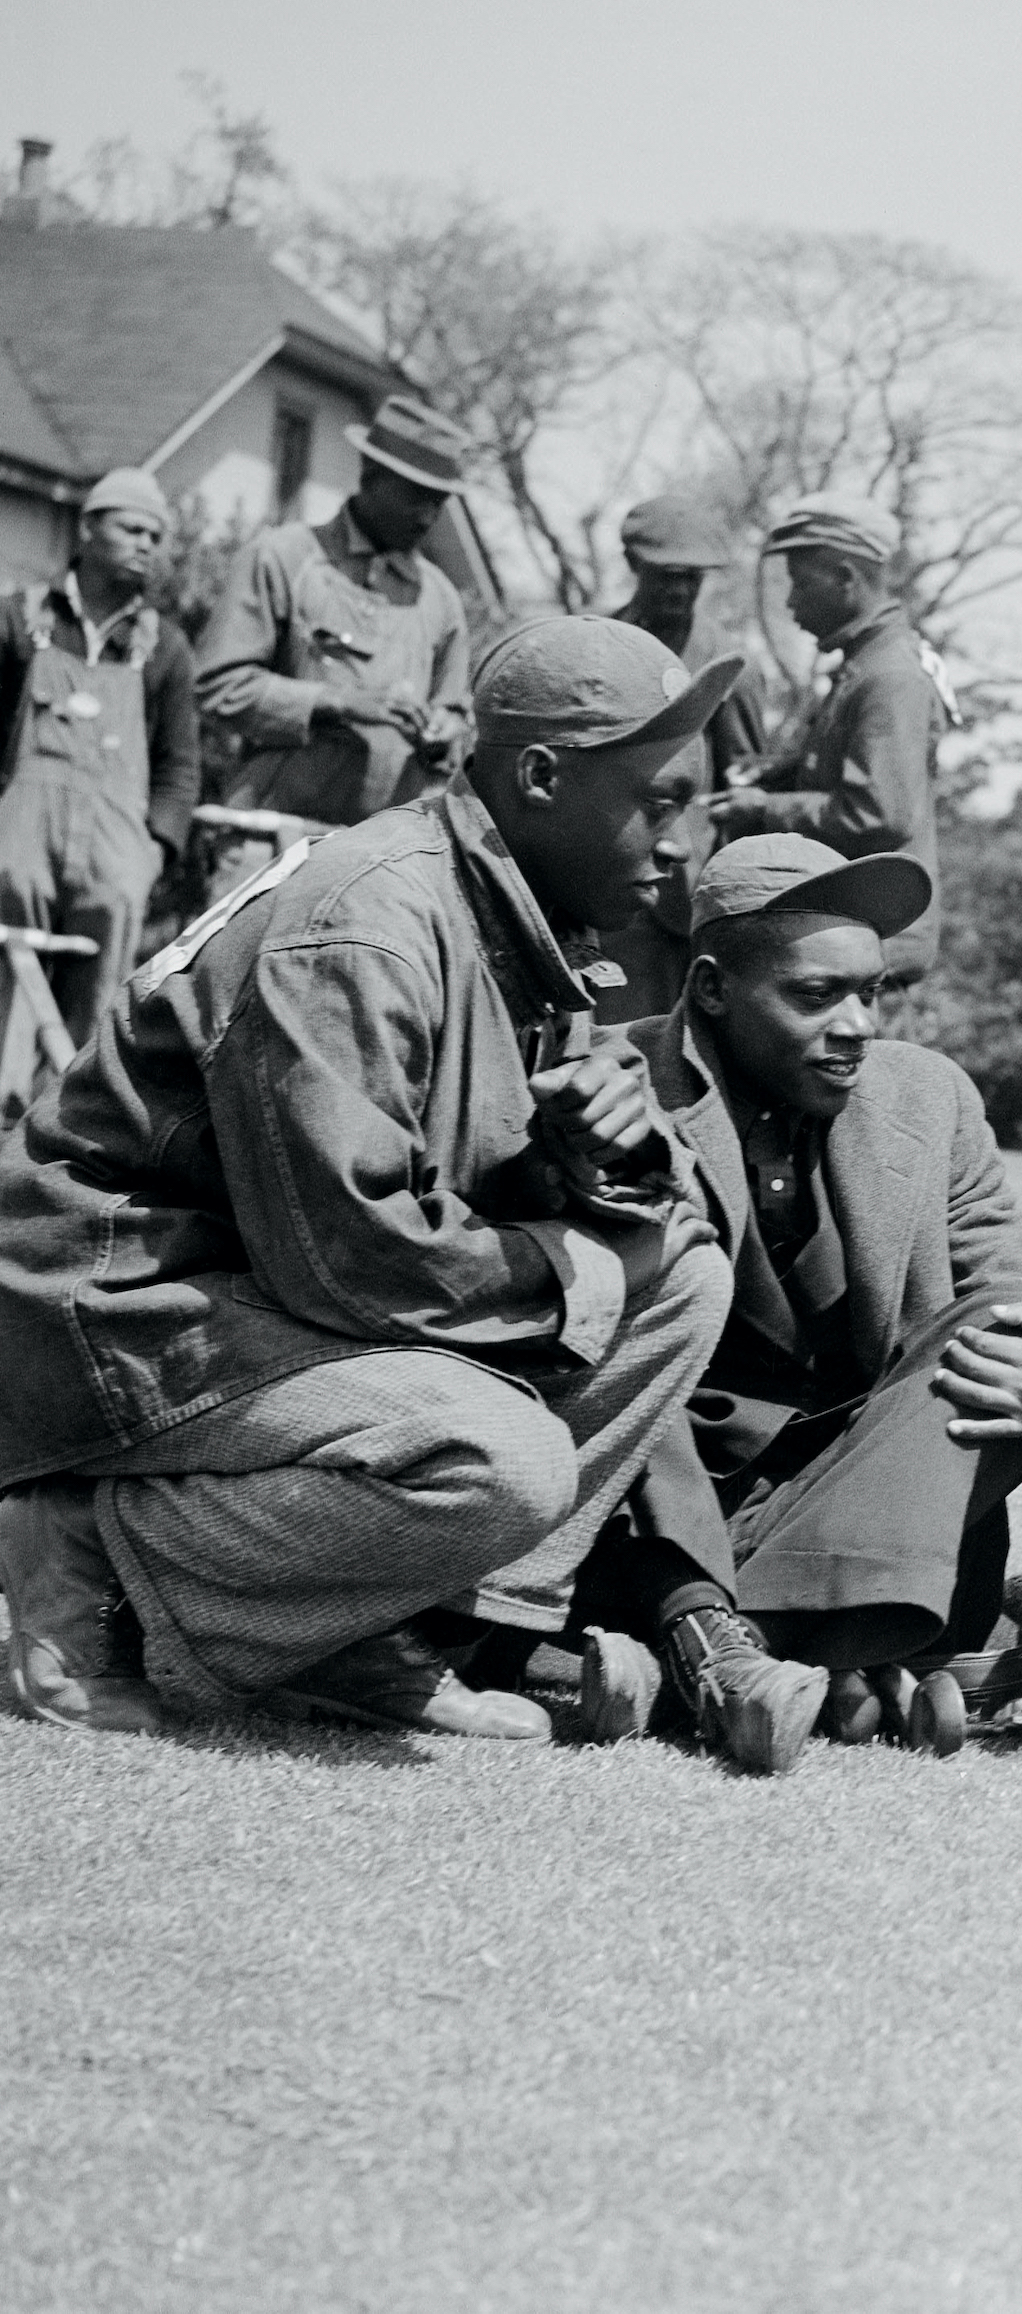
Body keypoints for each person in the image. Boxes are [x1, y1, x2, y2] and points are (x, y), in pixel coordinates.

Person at [0, 618, 740, 1742]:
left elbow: (486, 1178)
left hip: (246, 1296)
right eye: (663, 799)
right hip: (112, 1302)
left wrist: (615, 1158)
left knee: (681, 1275)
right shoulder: (370, 921)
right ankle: (80, 1549)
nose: (687, 841)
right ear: (541, 775)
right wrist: (576, 1265)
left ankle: (384, 1632)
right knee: (502, 1456)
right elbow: (349, 1255)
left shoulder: (520, 913)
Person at [560, 834, 1022, 1774]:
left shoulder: (928, 1095)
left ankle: (713, 1651)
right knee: (614, 1327)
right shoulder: (614, 1092)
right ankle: (843, 1647)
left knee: (1001, 1333)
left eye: (873, 991)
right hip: (672, 1502)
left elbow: (1015, 1279)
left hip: (869, 1486)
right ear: (710, 989)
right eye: (815, 995)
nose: (859, 1023)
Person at [196, 393, 475, 830]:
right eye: (417, 496)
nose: (428, 516)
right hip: (273, 840)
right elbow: (218, 688)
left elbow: (455, 717)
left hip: (379, 858)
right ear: (370, 475)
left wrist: (445, 734)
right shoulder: (283, 558)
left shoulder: (439, 599)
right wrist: (340, 703)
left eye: (439, 502)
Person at [704, 496, 949, 988]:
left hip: (875, 939)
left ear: (844, 577)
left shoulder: (888, 677)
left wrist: (764, 808)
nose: (792, 602)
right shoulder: (865, 667)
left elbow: (878, 815)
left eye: (800, 583)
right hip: (856, 928)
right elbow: (845, 771)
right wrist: (778, 773)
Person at [0, 467, 202, 1039]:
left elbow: (179, 765)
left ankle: (64, 1125)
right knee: (7, 998)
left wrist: (153, 851)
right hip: (19, 844)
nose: (146, 545)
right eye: (132, 528)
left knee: (94, 1019)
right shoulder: (20, 618)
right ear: (88, 529)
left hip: (116, 852)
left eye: (155, 537)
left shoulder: (164, 646)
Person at [598, 490, 764, 1019]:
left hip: (690, 895)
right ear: (632, 565)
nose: (680, 589)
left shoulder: (729, 662)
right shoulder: (599, 645)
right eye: (666, 574)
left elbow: (747, 788)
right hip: (607, 885)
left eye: (692, 577)